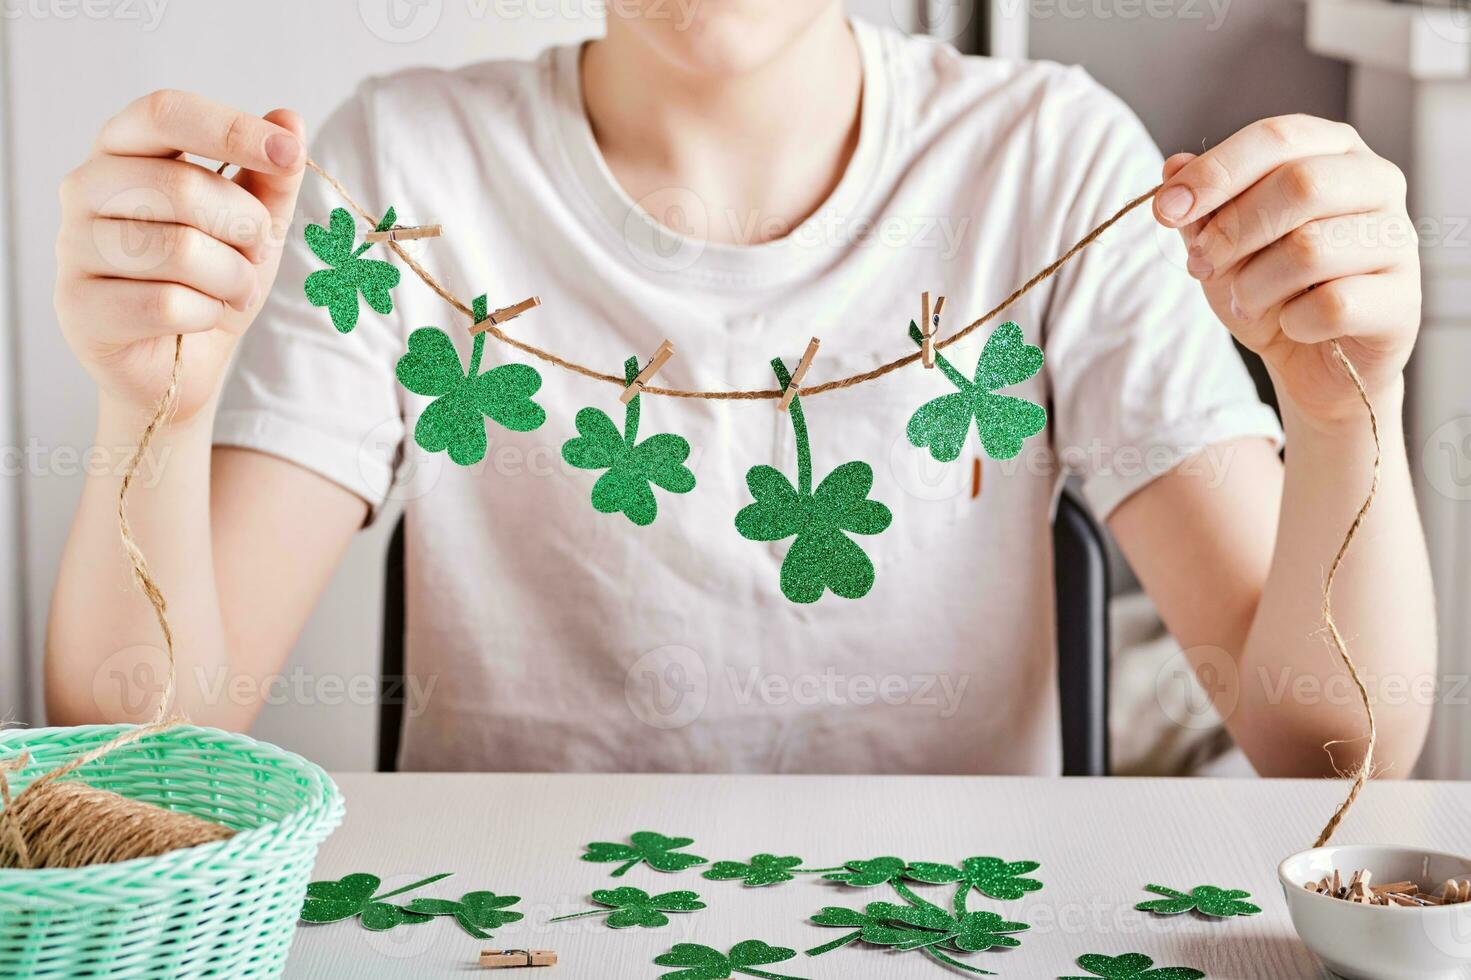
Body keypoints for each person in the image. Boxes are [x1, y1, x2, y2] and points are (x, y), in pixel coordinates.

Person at [46, 2, 1434, 777]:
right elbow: (141, 755)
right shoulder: (404, 170)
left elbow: (1328, 745)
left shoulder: (1050, 161)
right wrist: (144, 408)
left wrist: (1343, 415)